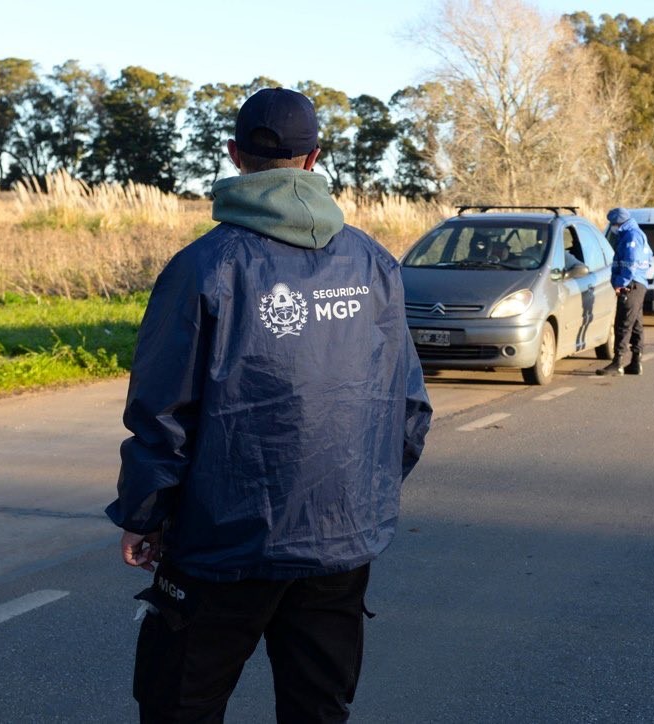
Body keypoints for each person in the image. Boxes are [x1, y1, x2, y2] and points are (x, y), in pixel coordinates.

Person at [105, 87, 433, 723]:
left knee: (180, 706)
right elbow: (408, 407)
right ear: (315, 158)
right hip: (338, 540)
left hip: (222, 543)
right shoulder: (374, 264)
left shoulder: (205, 266)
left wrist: (145, 514)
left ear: (233, 156)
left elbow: (162, 411)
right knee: (318, 710)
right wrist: (359, 499)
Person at [597, 207, 652, 376]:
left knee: (623, 323)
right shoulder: (636, 233)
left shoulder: (631, 236)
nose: (612, 227)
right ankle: (636, 362)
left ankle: (618, 362)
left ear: (618, 223)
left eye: (613, 223)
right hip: (638, 284)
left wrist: (620, 282)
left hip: (631, 285)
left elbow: (630, 263)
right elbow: (649, 258)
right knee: (635, 324)